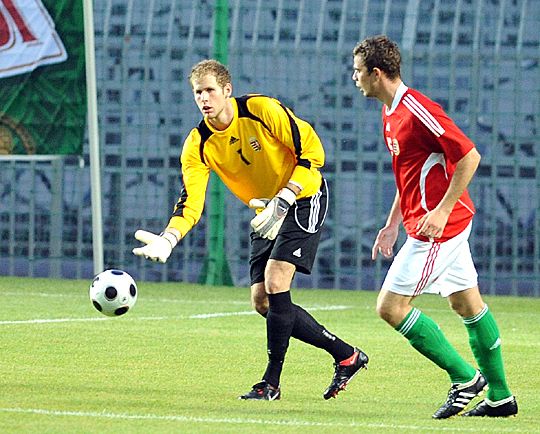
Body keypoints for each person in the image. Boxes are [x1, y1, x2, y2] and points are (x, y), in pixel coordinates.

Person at [133, 59, 368, 400]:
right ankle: (346, 355)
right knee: (262, 301)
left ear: (227, 90)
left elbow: (313, 153)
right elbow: (190, 203)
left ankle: (270, 384)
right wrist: (169, 239)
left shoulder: (261, 109)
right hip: (264, 211)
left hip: (303, 195)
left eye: (210, 90)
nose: (204, 98)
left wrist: (285, 199)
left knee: (275, 282)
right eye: (198, 92)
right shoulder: (197, 145)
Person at [351, 35, 517, 418]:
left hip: (439, 229)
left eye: (358, 71)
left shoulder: (417, 110)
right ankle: (501, 398)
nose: (354, 78)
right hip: (429, 224)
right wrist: (392, 223)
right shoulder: (389, 112)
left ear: (376, 74)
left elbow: (470, 156)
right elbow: (409, 173)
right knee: (467, 305)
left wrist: (441, 210)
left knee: (390, 307)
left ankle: (465, 379)